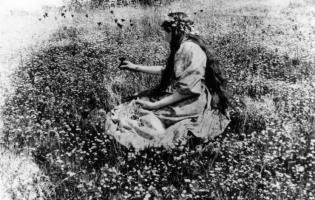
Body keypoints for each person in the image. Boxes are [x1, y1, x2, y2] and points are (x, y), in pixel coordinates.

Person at [105, 12, 231, 150]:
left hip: (191, 101)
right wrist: (135, 67)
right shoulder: (187, 45)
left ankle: (158, 142)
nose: (164, 37)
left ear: (173, 31)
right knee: (141, 103)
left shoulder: (188, 49)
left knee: (147, 116)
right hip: (194, 96)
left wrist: (156, 105)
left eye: (165, 32)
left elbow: (187, 90)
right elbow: (169, 71)